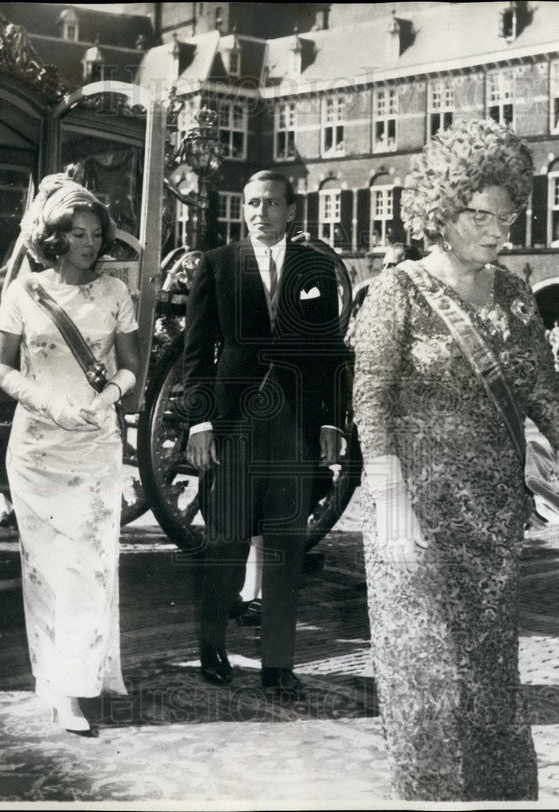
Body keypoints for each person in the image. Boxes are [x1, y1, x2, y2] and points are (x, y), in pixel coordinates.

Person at [350, 118, 559, 801]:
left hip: (491, 518)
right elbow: (369, 401)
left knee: (488, 672)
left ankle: (495, 795)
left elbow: (539, 383)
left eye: (506, 216)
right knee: (423, 676)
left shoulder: (516, 294)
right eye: (478, 214)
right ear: (441, 209)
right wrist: (392, 502)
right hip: (413, 520)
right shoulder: (395, 292)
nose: (495, 230)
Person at [181, 169, 349, 700]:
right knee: (226, 540)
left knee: (285, 545)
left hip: (294, 427)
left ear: (290, 210)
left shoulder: (315, 268)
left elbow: (330, 353)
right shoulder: (217, 265)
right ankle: (212, 646)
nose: (260, 212)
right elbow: (196, 353)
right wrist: (200, 421)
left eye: (271, 203)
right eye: (251, 203)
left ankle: (278, 663)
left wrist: (330, 420)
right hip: (233, 426)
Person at [0, 174, 139, 737]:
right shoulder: (25, 292)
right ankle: (59, 686)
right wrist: (45, 398)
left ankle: (82, 676)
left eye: (96, 233)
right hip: (36, 450)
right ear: (54, 236)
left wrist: (106, 399)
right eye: (77, 233)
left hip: (96, 444)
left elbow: (132, 369)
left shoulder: (116, 294)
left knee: (91, 565)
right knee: (49, 569)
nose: (89, 243)